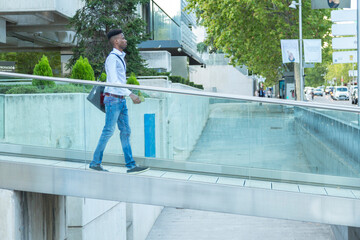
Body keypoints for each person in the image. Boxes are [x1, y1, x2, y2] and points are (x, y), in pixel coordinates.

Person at [89, 29, 149, 174]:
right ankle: (95, 163)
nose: (125, 40)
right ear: (116, 41)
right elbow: (115, 81)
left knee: (126, 131)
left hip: (120, 100)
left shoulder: (120, 57)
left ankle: (131, 165)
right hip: (113, 99)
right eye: (123, 38)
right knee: (108, 131)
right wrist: (131, 95)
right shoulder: (112, 58)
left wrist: (127, 95)